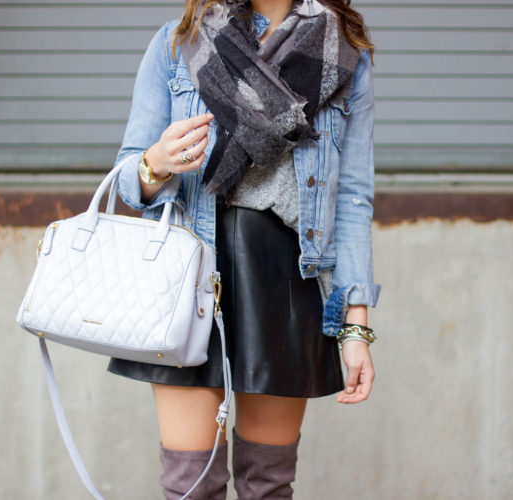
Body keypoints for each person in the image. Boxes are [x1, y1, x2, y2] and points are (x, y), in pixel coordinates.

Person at [107, 0, 381, 497]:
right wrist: (158, 161)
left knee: (268, 484)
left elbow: (353, 199)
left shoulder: (343, 54)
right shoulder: (179, 42)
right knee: (190, 484)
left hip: (286, 281)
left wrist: (355, 326)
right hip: (187, 279)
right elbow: (129, 178)